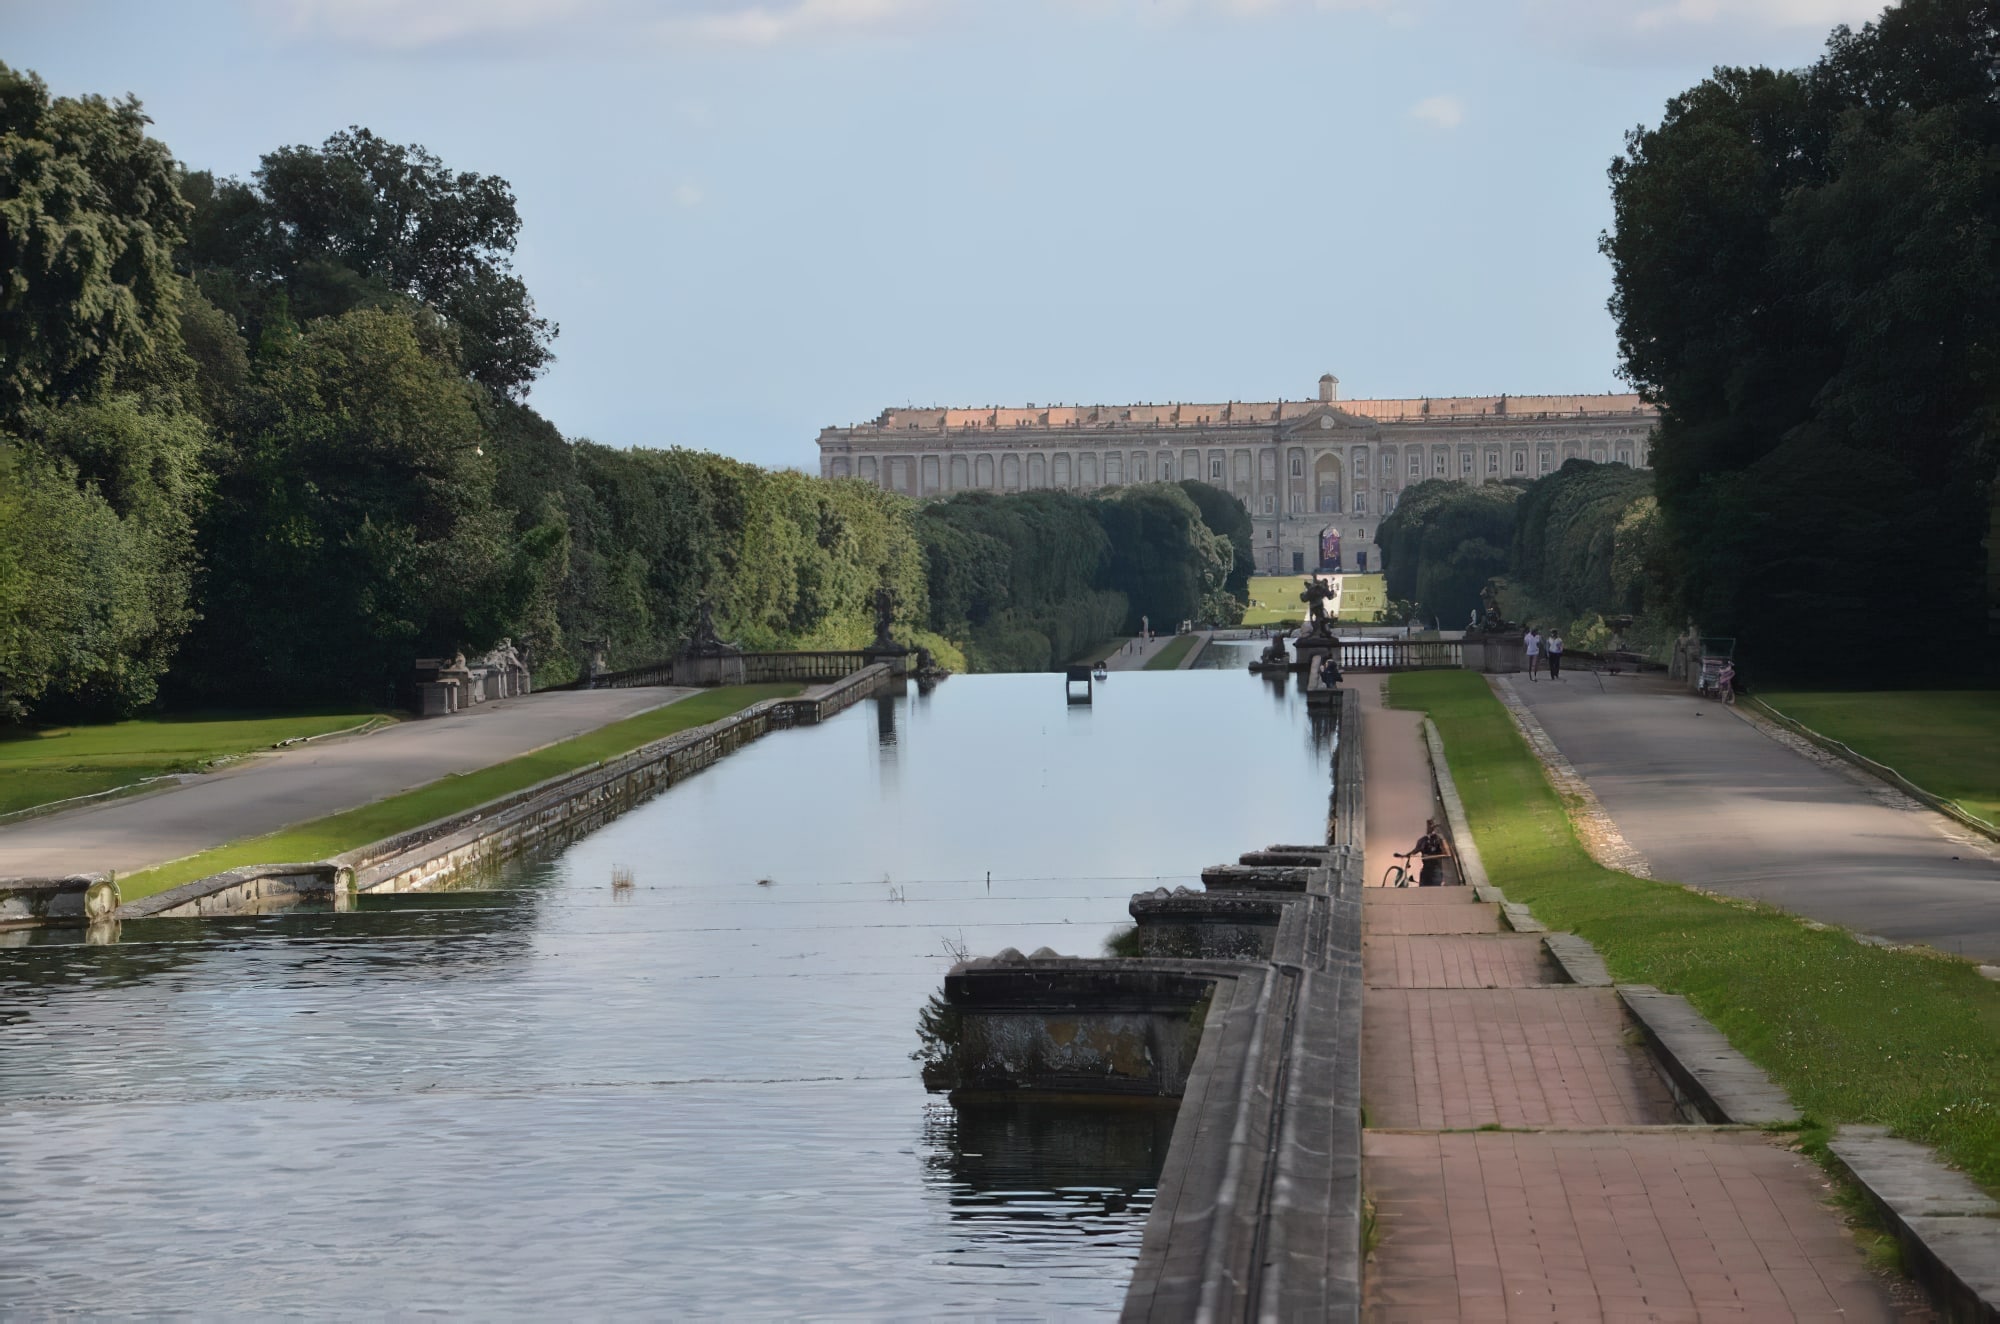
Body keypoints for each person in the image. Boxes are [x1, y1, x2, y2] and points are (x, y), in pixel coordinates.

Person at [1401, 819, 1452, 886]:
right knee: (1423, 891)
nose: (1430, 828)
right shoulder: (1423, 840)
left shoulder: (1440, 839)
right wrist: (1406, 855)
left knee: (1435, 891)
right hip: (1425, 871)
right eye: (1429, 825)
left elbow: (1447, 854)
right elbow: (1415, 850)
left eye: (1432, 826)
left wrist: (1429, 857)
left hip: (1435, 872)